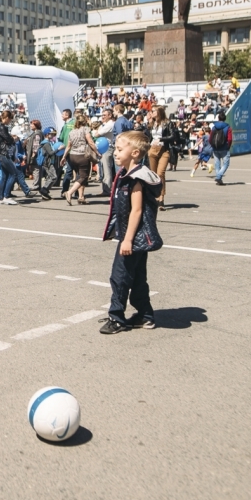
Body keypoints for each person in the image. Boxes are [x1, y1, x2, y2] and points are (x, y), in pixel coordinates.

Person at [99, 130, 162, 334]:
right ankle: (145, 314)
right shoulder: (125, 174)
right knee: (136, 278)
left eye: (119, 149)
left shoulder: (135, 178)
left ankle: (116, 317)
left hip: (133, 238)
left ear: (135, 153)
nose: (115, 153)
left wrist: (127, 240)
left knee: (120, 276)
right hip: (134, 236)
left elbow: (137, 210)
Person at [64, 112, 98, 205]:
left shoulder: (72, 131)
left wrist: (64, 157)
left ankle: (81, 197)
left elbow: (68, 146)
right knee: (84, 176)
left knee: (80, 176)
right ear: (84, 121)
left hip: (73, 156)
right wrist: (97, 152)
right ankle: (70, 192)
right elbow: (90, 142)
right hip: (82, 155)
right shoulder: (85, 129)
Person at [146, 106, 174, 210]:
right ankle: (155, 197)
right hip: (152, 149)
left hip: (163, 149)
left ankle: (161, 198)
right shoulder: (151, 123)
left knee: (160, 173)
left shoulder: (167, 123)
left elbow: (173, 136)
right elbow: (147, 135)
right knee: (153, 175)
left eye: (153, 111)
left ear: (159, 112)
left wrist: (161, 139)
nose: (151, 112)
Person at [0, 110, 20, 205]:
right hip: (4, 154)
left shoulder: (0, 127)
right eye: (10, 119)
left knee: (5, 176)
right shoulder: (2, 127)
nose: (10, 121)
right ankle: (6, 196)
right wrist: (14, 138)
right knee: (14, 174)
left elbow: (7, 139)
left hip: (2, 154)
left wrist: (10, 138)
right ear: (6, 118)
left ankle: (1, 197)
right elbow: (9, 140)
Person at [34, 128, 59, 200]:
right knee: (53, 177)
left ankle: (45, 192)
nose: (53, 135)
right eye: (52, 134)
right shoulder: (46, 143)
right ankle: (44, 190)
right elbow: (50, 153)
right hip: (47, 162)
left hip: (48, 162)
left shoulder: (48, 142)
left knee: (50, 177)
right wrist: (59, 149)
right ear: (47, 134)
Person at [209, 111, 233, 185]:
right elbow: (229, 139)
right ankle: (219, 177)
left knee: (217, 164)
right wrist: (228, 146)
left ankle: (219, 179)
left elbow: (210, 138)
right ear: (225, 118)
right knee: (226, 164)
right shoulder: (227, 127)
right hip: (224, 148)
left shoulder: (214, 127)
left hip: (215, 148)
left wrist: (212, 145)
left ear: (218, 118)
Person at [57, 109, 75, 198]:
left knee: (68, 172)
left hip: (69, 151)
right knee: (78, 173)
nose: (61, 116)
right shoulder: (75, 122)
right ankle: (77, 192)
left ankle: (64, 191)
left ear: (67, 115)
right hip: (78, 151)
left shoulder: (66, 125)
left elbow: (61, 138)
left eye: (63, 114)